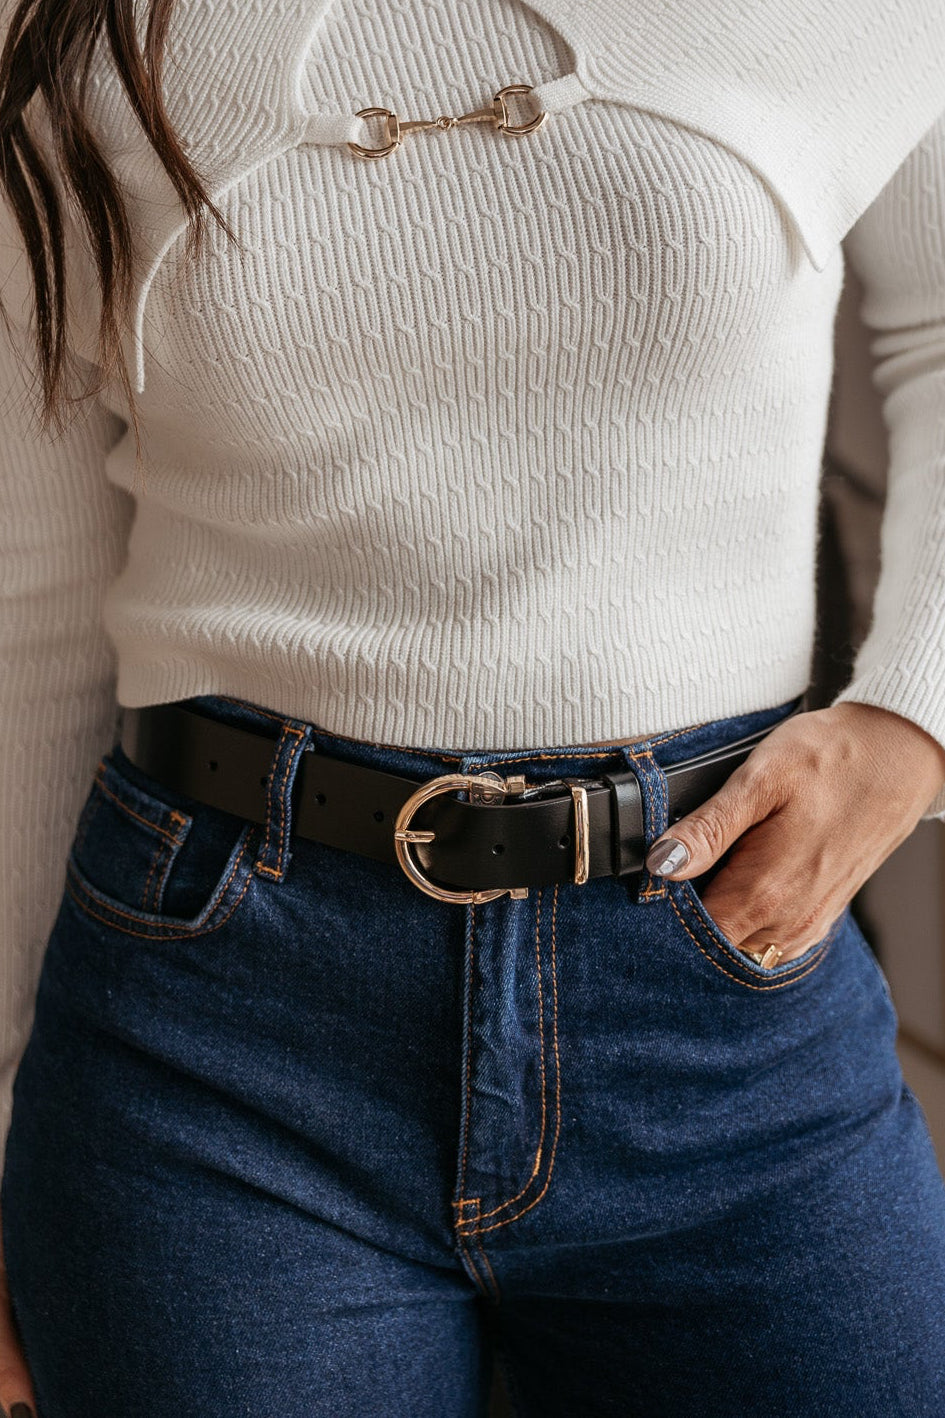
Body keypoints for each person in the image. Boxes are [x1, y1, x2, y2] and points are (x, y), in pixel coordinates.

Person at [1, 0, 945, 1413]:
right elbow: (30, 602)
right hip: (213, 1019)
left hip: (715, 965)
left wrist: (915, 720)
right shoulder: (63, 29)